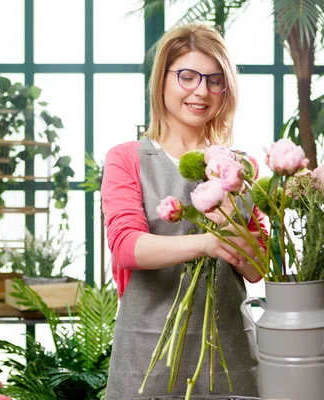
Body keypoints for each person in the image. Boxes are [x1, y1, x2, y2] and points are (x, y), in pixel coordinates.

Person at [101, 22, 264, 399]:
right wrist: (208, 242)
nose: (201, 91)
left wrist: (230, 223)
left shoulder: (241, 167)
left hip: (229, 353)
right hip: (148, 354)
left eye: (214, 80)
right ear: (162, 81)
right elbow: (127, 247)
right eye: (187, 76)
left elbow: (256, 269)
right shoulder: (128, 158)